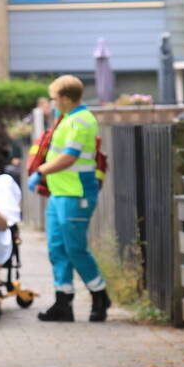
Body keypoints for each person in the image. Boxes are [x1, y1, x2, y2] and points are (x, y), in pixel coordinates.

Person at [27, 75, 110, 323]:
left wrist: (40, 171)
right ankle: (63, 302)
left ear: (64, 98)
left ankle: (99, 295)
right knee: (57, 248)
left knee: (75, 249)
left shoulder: (81, 121)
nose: (53, 103)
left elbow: (69, 157)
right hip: (60, 193)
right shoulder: (68, 119)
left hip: (76, 194)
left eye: (54, 99)